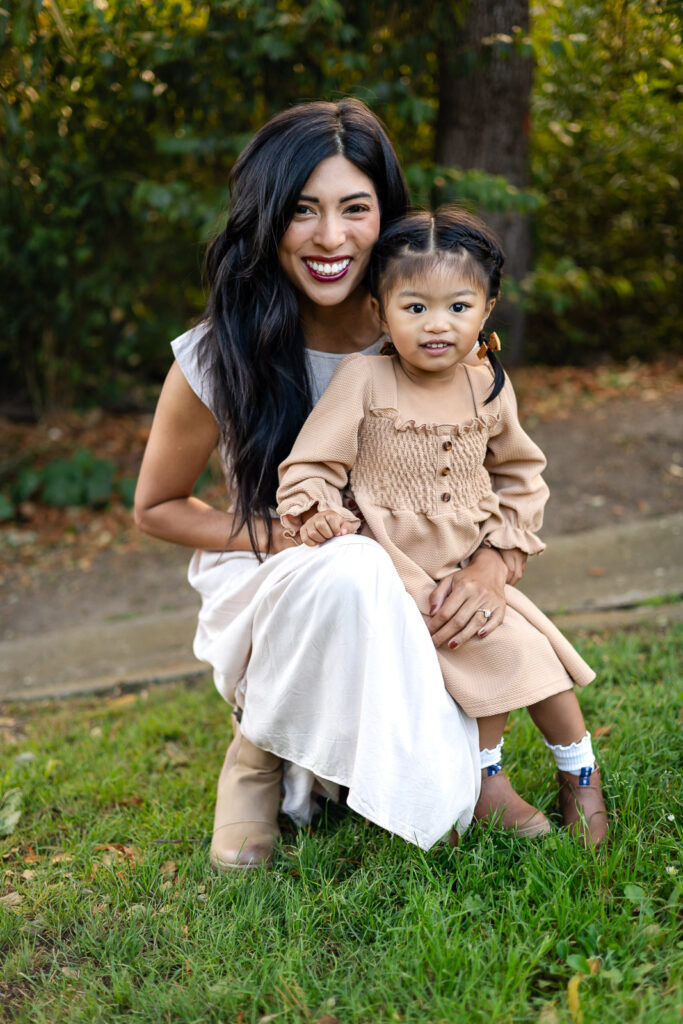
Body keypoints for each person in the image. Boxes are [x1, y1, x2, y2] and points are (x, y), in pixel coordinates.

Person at [134, 100, 528, 872]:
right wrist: (284, 534)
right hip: (272, 577)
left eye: (354, 208)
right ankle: (254, 756)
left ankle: (375, 764)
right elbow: (156, 508)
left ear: (386, 215)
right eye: (301, 210)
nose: (328, 237)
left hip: (416, 577)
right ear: (266, 219)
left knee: (440, 798)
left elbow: (494, 481)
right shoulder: (218, 354)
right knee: (347, 565)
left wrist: (490, 568)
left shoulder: (427, 332)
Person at [277, 207, 609, 846]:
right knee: (480, 653)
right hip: (398, 573)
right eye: (415, 307)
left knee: (534, 655)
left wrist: (499, 556)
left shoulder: (488, 386)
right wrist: (318, 511)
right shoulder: (364, 379)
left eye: (459, 307)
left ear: (487, 310)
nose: (437, 324)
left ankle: (581, 773)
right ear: (379, 311)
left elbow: (521, 475)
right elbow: (312, 464)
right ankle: (486, 783)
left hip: (468, 566)